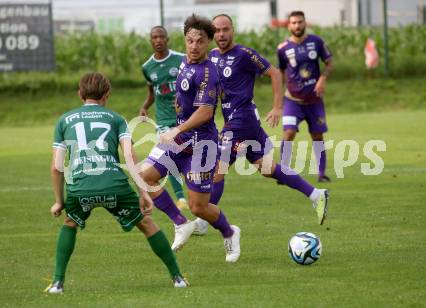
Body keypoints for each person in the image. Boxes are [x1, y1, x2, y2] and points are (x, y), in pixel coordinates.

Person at [45, 72, 188, 294]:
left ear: (80, 94)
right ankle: (177, 278)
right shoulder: (116, 119)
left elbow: (56, 166)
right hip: (115, 185)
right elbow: (130, 157)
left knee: (70, 223)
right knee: (147, 224)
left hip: (80, 188)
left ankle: (57, 283)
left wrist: (58, 201)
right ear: (107, 94)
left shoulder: (64, 120)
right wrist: (144, 192)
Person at [193, 14, 329, 233]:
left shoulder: (244, 54)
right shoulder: (212, 57)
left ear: (232, 30)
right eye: (216, 30)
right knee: (267, 168)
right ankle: (316, 194)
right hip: (241, 121)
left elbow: (275, 73)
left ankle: (204, 221)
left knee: (217, 167)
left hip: (242, 119)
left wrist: (277, 107)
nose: (221, 34)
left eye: (225, 29)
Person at [140, 14, 241, 262]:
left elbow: (206, 112)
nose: (194, 46)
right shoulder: (184, 62)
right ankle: (180, 223)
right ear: (185, 40)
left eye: (200, 41)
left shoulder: (209, 73)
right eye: (190, 40)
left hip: (201, 146)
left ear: (208, 43)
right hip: (180, 141)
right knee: (145, 176)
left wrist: (175, 130)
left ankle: (230, 232)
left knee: (199, 207)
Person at [277, 11, 333, 182]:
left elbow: (329, 63)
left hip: (314, 101)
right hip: (292, 101)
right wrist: (282, 93)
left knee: (317, 136)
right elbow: (280, 71)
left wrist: (322, 79)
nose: (297, 26)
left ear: (305, 23)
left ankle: (321, 174)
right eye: (293, 23)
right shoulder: (283, 48)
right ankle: (283, 172)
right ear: (289, 26)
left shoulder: (317, 42)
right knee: (289, 132)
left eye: (300, 22)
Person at [139, 26, 188, 210]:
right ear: (151, 41)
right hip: (163, 120)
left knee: (186, 156)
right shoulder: (147, 67)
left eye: (161, 36)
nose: (158, 40)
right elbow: (152, 93)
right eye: (154, 37)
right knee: (170, 153)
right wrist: (145, 106)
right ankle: (181, 198)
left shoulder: (181, 59)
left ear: (167, 39)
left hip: (185, 118)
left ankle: (192, 192)